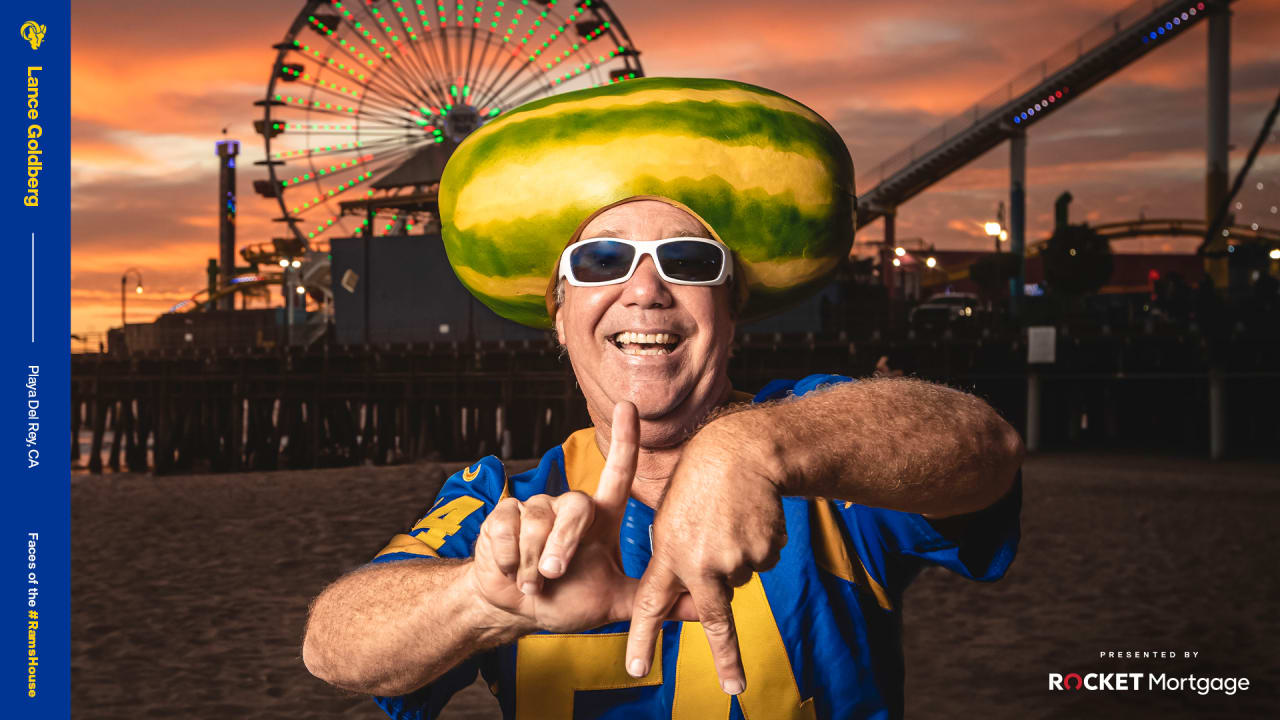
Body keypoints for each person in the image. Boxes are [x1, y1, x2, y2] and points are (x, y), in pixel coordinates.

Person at [302, 78, 1023, 720]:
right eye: (602, 260)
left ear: (732, 307)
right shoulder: (511, 506)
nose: (645, 291)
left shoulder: (824, 452)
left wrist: (753, 447)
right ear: (557, 312)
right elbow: (334, 643)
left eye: (687, 261)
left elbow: (986, 448)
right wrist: (481, 601)